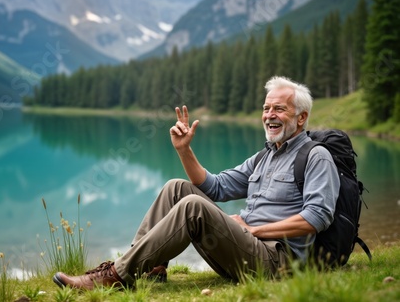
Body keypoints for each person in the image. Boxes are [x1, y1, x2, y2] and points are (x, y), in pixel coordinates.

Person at [53, 76, 340, 290]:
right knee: (177, 188)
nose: (269, 115)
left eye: (279, 109)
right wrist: (184, 149)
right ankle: (150, 266)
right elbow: (215, 187)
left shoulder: (316, 157)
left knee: (193, 206)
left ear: (301, 118)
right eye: (266, 108)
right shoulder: (265, 157)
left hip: (276, 261)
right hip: (247, 248)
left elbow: (318, 217)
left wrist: (254, 229)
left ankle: (115, 276)